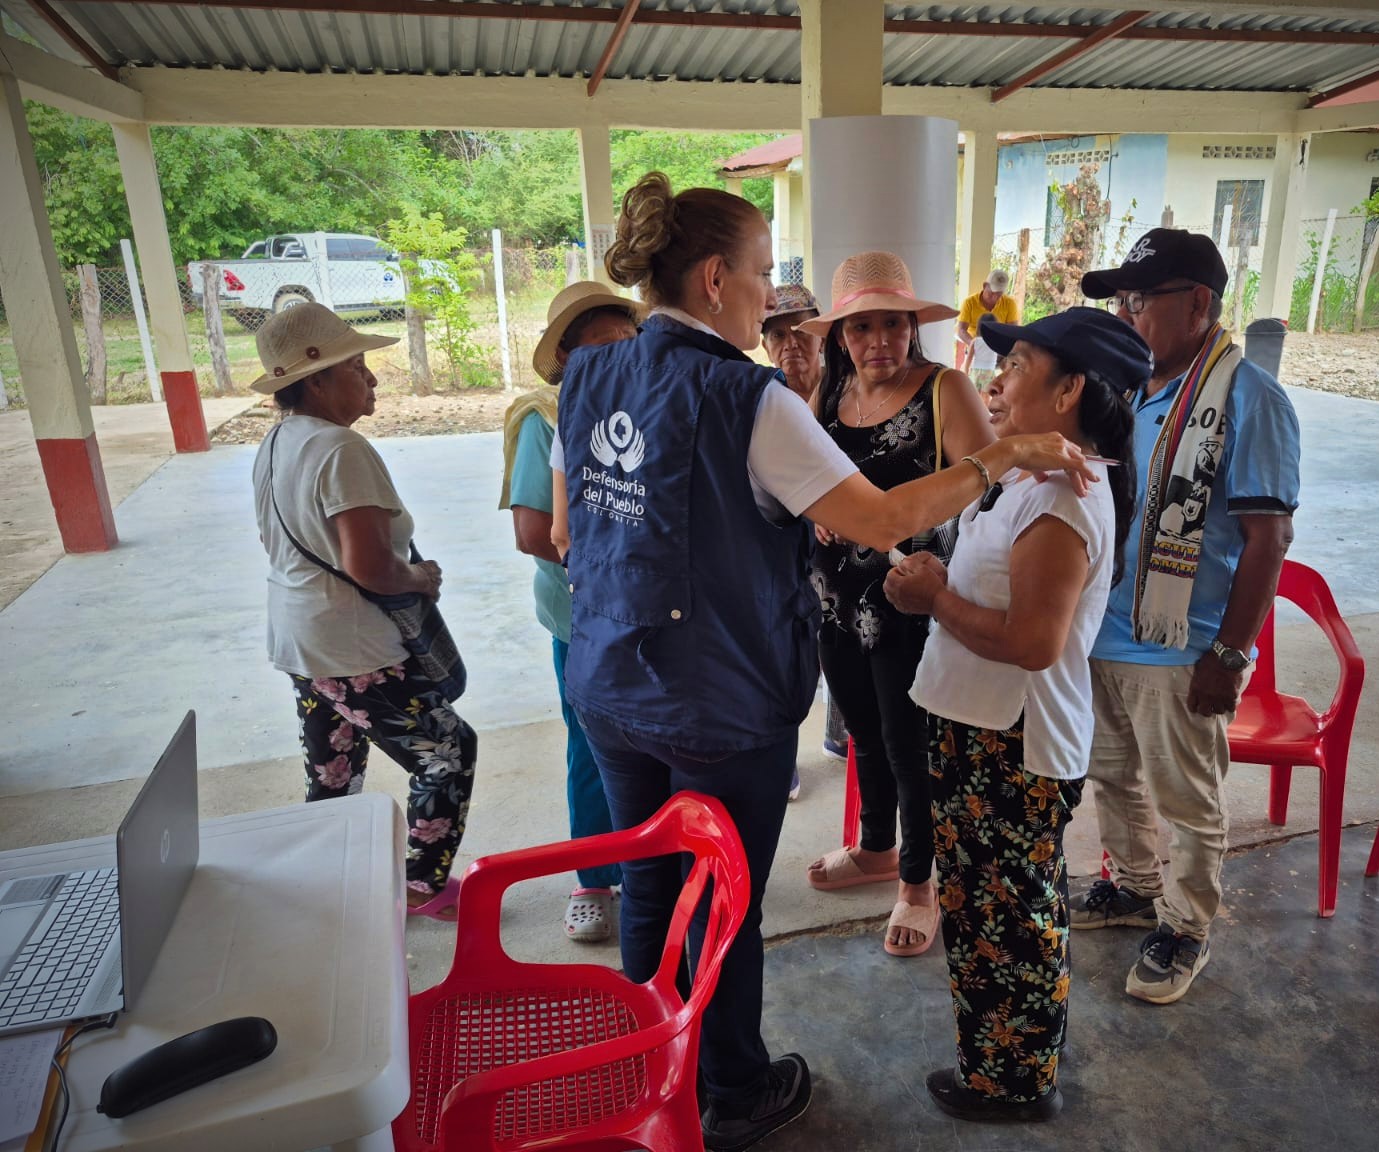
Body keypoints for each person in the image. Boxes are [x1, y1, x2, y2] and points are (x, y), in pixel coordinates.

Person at [549, 171, 1096, 1152]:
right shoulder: (741, 396)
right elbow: (881, 518)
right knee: (720, 902)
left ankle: (648, 1070)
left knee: (649, 885)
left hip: (609, 682)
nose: (770, 294)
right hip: (716, 705)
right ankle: (735, 1089)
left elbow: (569, 526)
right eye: (762, 273)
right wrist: (997, 462)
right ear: (715, 278)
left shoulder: (589, 372)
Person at [885, 307, 1147, 1121]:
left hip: (1013, 740)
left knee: (1012, 916)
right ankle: (997, 1064)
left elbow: (1034, 642)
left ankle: (1015, 1083)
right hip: (980, 730)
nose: (994, 380)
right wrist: (940, 580)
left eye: (1020, 366)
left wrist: (932, 597)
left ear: (1070, 390)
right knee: (987, 905)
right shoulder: (1024, 480)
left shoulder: (1062, 500)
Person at [1072, 229, 1300, 1005]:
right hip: (1102, 629)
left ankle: (1187, 924)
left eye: (1140, 301)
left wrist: (1229, 656)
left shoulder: (1246, 398)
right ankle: (1134, 886)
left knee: (1188, 800)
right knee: (1112, 775)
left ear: (1197, 302)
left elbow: (1268, 536)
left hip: (1181, 647)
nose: (1126, 316)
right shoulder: (1125, 389)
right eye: (1121, 302)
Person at [249, 303, 477, 920]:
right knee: (447, 753)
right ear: (317, 381)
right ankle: (419, 888)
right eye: (358, 366)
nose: (372, 377)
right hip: (352, 647)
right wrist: (420, 578)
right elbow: (370, 567)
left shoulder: (277, 442)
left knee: (335, 768)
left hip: (300, 638)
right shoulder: (341, 449)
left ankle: (329, 877)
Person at [797, 251, 992, 959]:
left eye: (891, 323)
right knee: (860, 731)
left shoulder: (946, 389)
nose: (877, 339)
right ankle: (875, 846)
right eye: (859, 328)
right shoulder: (829, 392)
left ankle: (918, 883)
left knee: (909, 744)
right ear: (840, 337)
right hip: (833, 595)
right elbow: (811, 475)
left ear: (913, 326)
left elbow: (982, 489)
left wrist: (911, 530)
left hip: (904, 594)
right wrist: (816, 509)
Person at [500, 281, 644, 942]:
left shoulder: (657, 406)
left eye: (627, 345)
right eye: (597, 350)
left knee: (657, 745)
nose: (617, 361)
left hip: (654, 612)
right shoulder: (543, 419)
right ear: (565, 359)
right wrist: (613, 561)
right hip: (582, 619)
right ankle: (593, 879)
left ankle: (653, 867)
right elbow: (533, 532)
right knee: (591, 746)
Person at [759, 283, 841, 790]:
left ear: (823, 338)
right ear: (765, 344)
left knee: (841, 654)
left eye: (802, 333)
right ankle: (781, 760)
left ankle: (841, 734)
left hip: (842, 556)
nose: (792, 343)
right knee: (784, 665)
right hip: (779, 561)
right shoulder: (758, 400)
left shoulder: (847, 395)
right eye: (778, 334)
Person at [956, 269, 1018, 390]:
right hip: (976, 349)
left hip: (999, 351)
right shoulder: (969, 302)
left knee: (1011, 373)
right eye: (991, 293)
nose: (994, 298)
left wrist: (1000, 349)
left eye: (999, 294)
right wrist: (976, 345)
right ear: (985, 286)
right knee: (972, 383)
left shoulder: (1010, 303)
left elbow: (1013, 332)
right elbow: (961, 330)